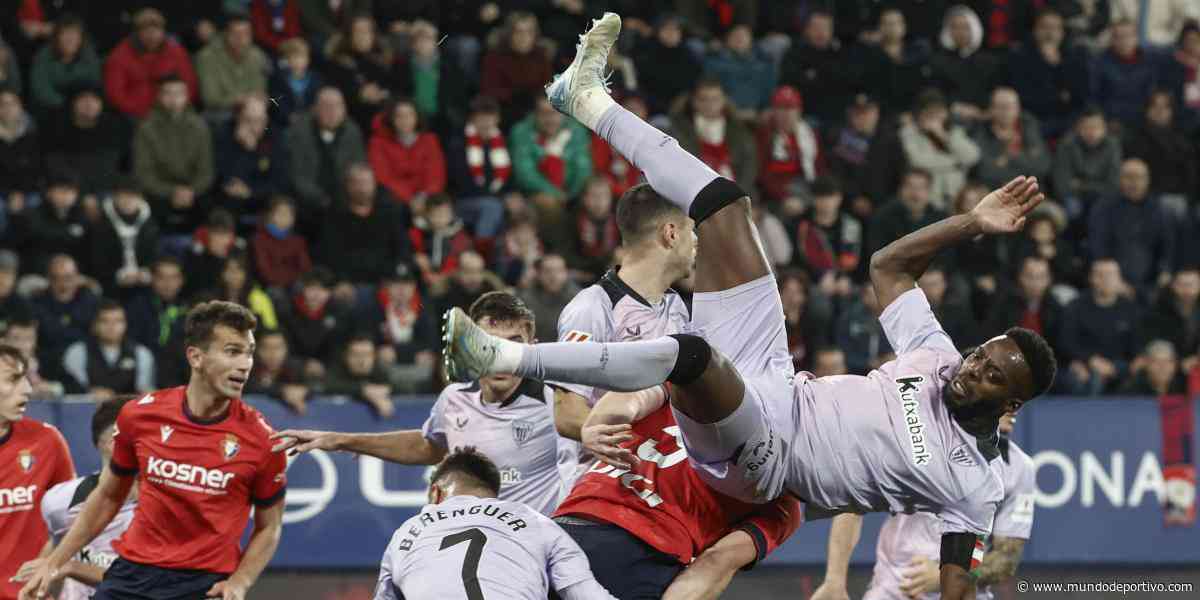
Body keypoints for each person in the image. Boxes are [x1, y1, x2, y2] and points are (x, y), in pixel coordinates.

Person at [445, 14, 1056, 600]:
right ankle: (585, 99)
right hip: (774, 376)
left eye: (991, 374)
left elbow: (960, 580)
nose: (972, 367)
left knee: (690, 356)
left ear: (1011, 403)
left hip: (763, 459)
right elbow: (888, 267)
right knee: (724, 205)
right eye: (981, 354)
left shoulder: (977, 484)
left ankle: (503, 355)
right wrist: (970, 223)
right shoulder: (936, 356)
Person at [21, 301, 288, 600]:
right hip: (133, 574)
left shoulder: (263, 441)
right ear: (196, 357)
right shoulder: (140, 415)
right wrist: (54, 562)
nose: (245, 364)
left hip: (204, 584)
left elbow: (269, 527)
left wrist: (240, 582)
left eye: (249, 353)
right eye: (232, 351)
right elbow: (109, 495)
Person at [275, 293, 576, 514]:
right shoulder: (454, 398)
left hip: (537, 560)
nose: (501, 356)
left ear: (532, 349)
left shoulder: (560, 402)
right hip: (471, 552)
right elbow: (429, 446)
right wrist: (342, 439)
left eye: (513, 344)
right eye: (489, 344)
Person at [812, 412, 1035, 600]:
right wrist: (834, 581)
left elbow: (1006, 559)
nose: (1014, 407)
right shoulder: (916, 443)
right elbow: (853, 505)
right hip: (895, 591)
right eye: (1006, 391)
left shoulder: (1020, 467)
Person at [369, 448, 616, 599]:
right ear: (492, 494)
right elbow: (584, 593)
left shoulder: (406, 532)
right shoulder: (534, 521)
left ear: (436, 493)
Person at [12, 398, 138, 600]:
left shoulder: (163, 508)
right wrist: (40, 587)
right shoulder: (60, 502)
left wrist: (70, 567)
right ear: (113, 443)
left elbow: (145, 583)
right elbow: (56, 546)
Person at [0, 344, 76, 600]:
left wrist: (47, 565)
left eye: (26, 379)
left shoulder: (46, 441)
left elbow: (70, 516)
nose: (27, 390)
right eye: (13, 379)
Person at [62, 300, 156, 398]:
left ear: (126, 325)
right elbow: (75, 393)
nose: (111, 326)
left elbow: (145, 392)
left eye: (118, 321)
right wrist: (89, 393)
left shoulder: (141, 353)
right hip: (89, 410)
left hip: (129, 410)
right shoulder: (78, 352)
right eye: (104, 321)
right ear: (95, 325)